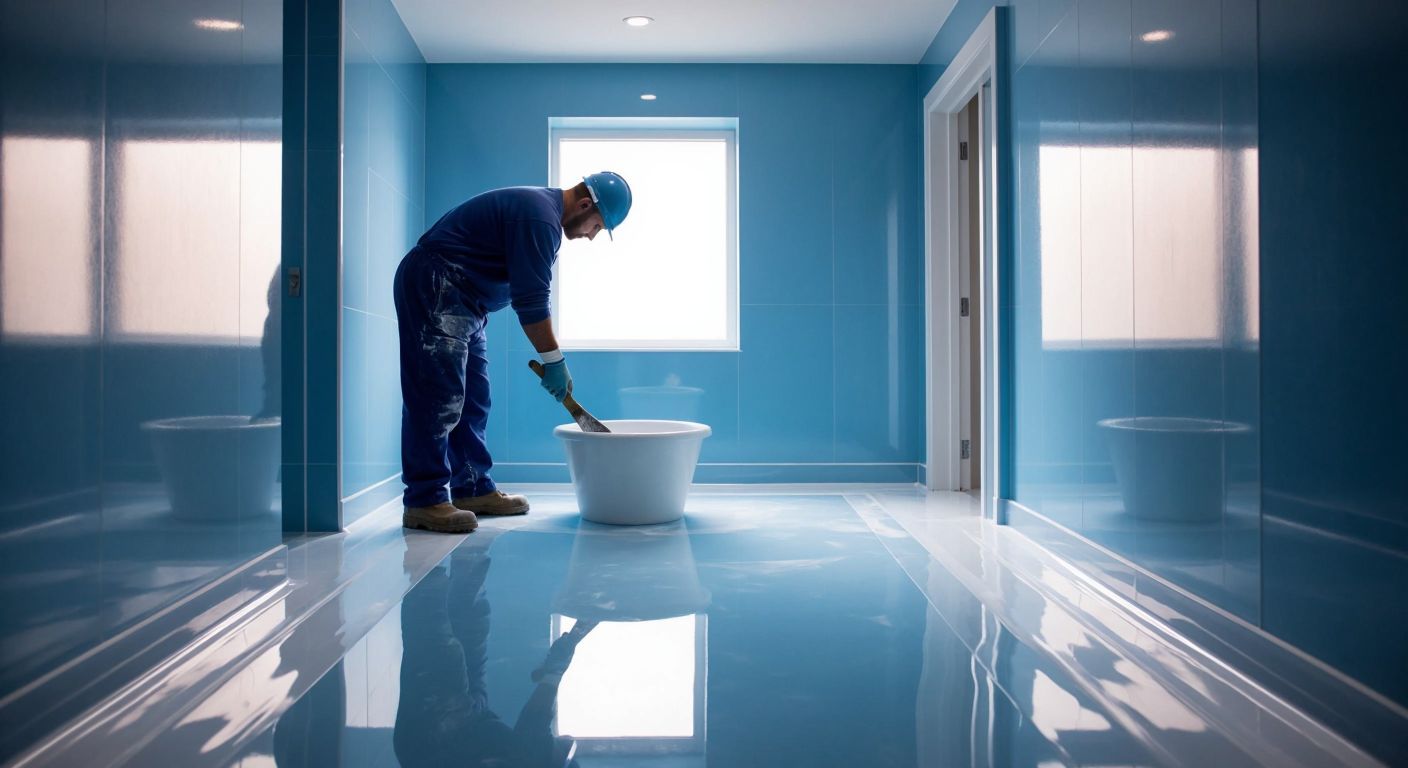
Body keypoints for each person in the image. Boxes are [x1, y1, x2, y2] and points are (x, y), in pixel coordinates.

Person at [394, 172, 632, 534]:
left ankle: (472, 488)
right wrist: (554, 361)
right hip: (438, 285)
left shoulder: (541, 215)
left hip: (468, 302)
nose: (590, 236)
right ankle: (424, 500)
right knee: (438, 396)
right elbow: (531, 301)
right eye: (596, 227)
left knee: (474, 399)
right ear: (585, 205)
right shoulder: (539, 217)